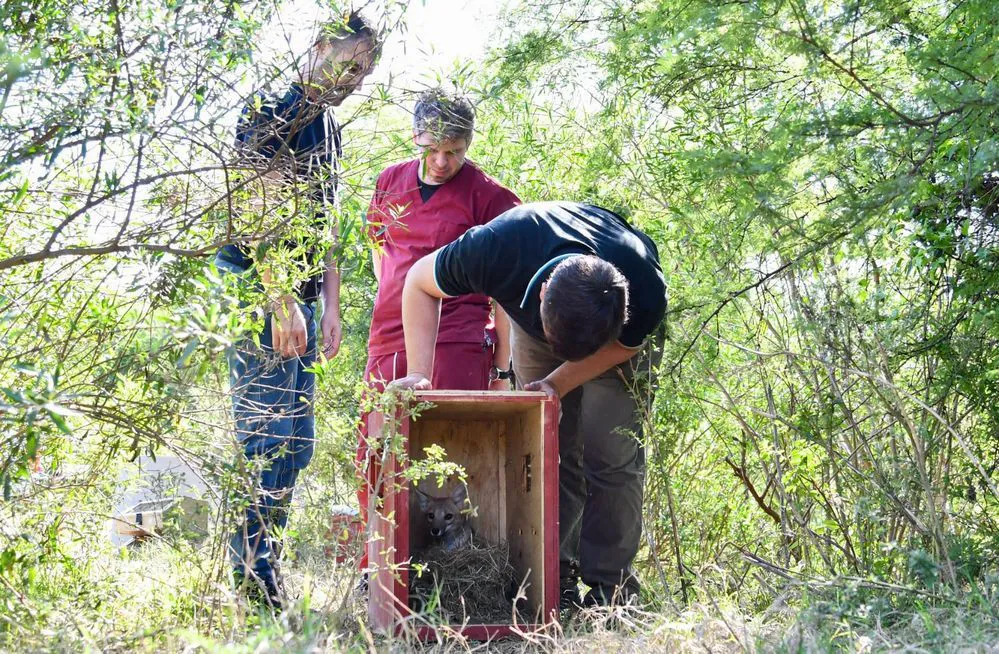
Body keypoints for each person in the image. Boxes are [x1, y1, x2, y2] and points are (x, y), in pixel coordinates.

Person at [393, 201, 667, 607]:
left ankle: (611, 592)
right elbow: (418, 281)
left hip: (613, 344)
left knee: (613, 456)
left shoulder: (642, 286)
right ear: (541, 293)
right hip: (537, 319)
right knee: (549, 450)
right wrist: (418, 371)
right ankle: (551, 581)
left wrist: (557, 381)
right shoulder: (497, 248)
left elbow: (626, 346)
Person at [215, 12, 379, 608]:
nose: (356, 78)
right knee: (265, 438)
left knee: (296, 443)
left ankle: (267, 566)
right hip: (257, 288)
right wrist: (281, 298)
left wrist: (330, 302)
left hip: (304, 300)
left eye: (365, 71)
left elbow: (326, 220)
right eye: (351, 62)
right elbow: (255, 209)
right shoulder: (271, 109)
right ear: (318, 47)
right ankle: (249, 578)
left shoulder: (329, 127)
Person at [356, 88, 521, 573]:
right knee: (378, 454)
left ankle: (451, 573)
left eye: (455, 150)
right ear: (416, 138)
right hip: (387, 341)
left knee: (447, 455)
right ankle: (382, 570)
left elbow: (505, 292)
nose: (444, 160)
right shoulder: (389, 181)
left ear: (468, 145)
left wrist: (502, 368)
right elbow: (380, 256)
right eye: (434, 149)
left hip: (457, 340)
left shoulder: (490, 197)